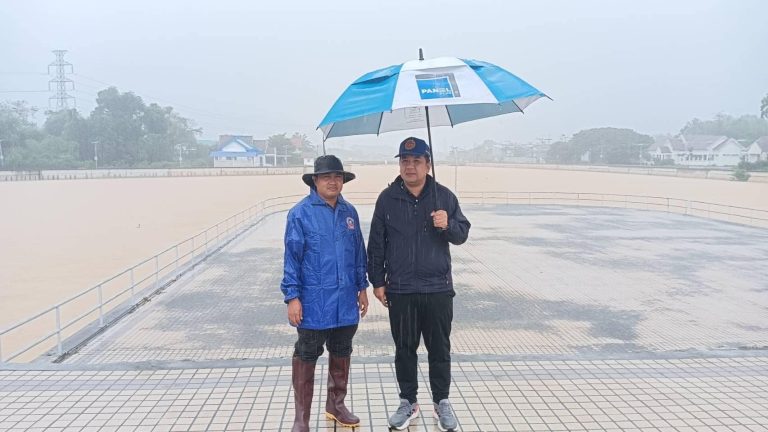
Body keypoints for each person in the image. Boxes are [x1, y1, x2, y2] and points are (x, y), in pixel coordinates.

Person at [367, 137, 471, 432]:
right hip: (401, 289)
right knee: (404, 348)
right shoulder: (387, 199)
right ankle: (408, 401)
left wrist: (447, 224)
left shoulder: (444, 197)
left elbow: (462, 234)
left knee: (440, 348)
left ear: (428, 164)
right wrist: (377, 281)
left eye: (416, 161)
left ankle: (442, 401)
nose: (409, 167)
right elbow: (376, 243)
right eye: (404, 161)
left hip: (438, 288)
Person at [281, 155, 370, 432]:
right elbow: (292, 259)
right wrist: (292, 297)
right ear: (315, 181)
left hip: (345, 300)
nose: (333, 181)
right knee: (307, 354)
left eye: (338, 176)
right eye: (327, 177)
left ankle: (336, 405)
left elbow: (358, 253)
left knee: (342, 351)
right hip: (313, 301)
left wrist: (362, 288)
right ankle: (301, 418)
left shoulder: (349, 213)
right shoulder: (300, 213)